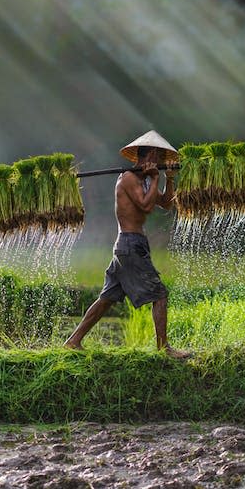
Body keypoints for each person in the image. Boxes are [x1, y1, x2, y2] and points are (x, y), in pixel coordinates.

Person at [64, 130, 192, 359]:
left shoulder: (143, 179)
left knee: (107, 299)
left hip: (129, 245)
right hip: (130, 244)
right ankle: (164, 349)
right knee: (160, 295)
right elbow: (144, 206)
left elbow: (165, 204)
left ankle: (73, 341)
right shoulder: (129, 178)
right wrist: (155, 178)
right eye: (160, 158)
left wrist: (168, 179)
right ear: (151, 154)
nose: (162, 163)